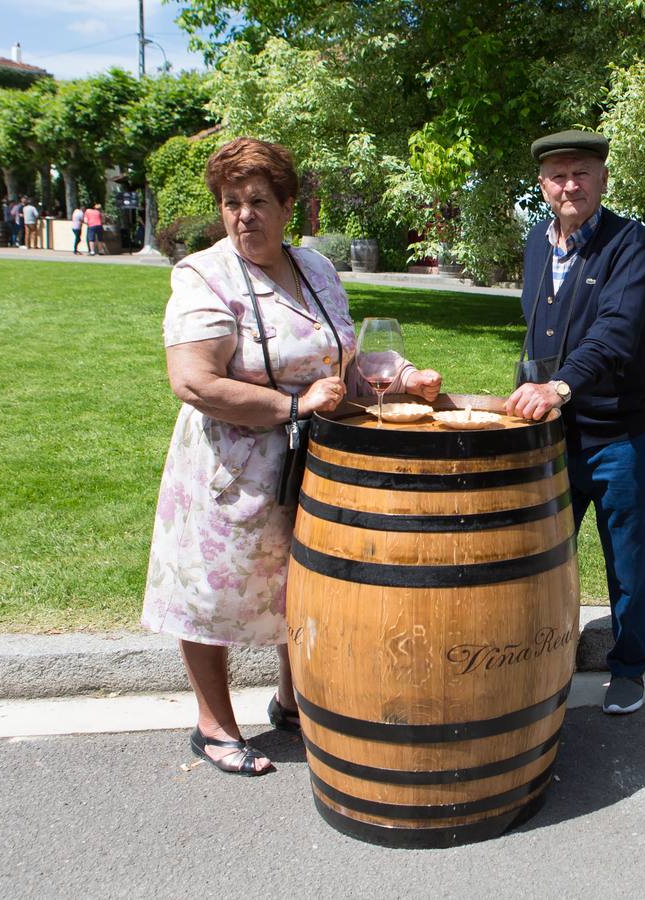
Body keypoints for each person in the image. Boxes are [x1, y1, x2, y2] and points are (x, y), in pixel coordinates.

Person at [141, 137, 442, 776]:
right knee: (211, 593)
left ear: (287, 206)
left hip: (310, 465)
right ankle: (214, 723)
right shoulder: (204, 276)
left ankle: (290, 699)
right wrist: (293, 407)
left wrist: (400, 377)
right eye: (230, 202)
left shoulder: (316, 269)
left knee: (297, 585)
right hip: (231, 468)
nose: (243, 215)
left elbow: (342, 362)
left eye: (256, 201)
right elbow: (193, 381)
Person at [504, 129, 645, 716]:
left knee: (627, 560)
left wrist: (560, 385)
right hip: (553, 436)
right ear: (543, 185)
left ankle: (629, 669)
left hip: (620, 435)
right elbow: (538, 326)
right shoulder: (536, 244)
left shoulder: (629, 244)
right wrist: (531, 383)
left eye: (582, 173)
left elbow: (617, 334)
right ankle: (545, 659)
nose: (569, 185)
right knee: (543, 556)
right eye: (558, 175)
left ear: (602, 179)